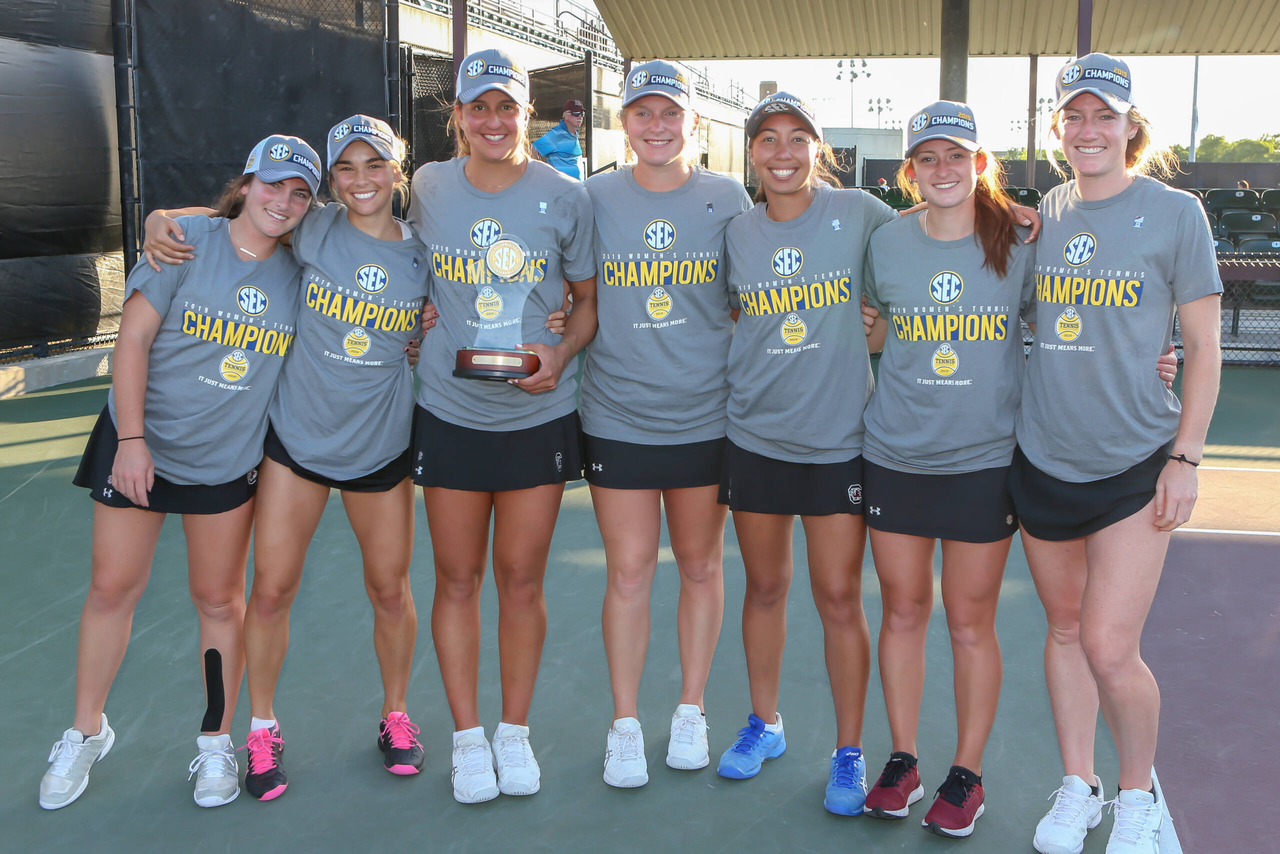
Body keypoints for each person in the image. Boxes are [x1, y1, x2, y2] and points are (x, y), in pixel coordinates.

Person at [142, 116, 432, 800]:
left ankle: (396, 714)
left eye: (375, 165)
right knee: (270, 591)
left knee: (390, 590)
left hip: (380, 448)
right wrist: (161, 216)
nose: (361, 180)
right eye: (346, 169)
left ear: (397, 170)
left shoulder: (424, 254)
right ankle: (262, 725)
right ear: (331, 180)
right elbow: (237, 217)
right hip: (296, 443)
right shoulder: (313, 226)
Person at [39, 136, 320, 810]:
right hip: (138, 443)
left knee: (219, 600)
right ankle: (86, 731)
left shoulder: (305, 269)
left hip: (224, 461)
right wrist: (132, 441)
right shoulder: (185, 241)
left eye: (300, 192)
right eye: (272, 184)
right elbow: (130, 339)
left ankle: (215, 742)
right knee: (112, 587)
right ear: (247, 183)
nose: (283, 201)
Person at [1016, 54, 1220, 854]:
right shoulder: (1045, 214)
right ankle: (1080, 785)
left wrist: (1187, 457)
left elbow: (1202, 347)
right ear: (1058, 126)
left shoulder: (1177, 213)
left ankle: (1138, 795)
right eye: (1075, 115)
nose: (1089, 129)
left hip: (1137, 463)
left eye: (1105, 116)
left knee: (1107, 643)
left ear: (1132, 126)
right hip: (1043, 458)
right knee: (1065, 632)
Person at [408, 48, 597, 804]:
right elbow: (367, 239)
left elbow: (585, 302)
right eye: (478, 107)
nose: (493, 121)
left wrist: (560, 349)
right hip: (449, 412)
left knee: (521, 581)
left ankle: (513, 734)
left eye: (506, 107)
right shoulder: (425, 186)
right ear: (456, 115)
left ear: (527, 114)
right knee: (457, 579)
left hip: (538, 413)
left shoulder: (566, 194)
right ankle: (465, 737)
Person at [714, 91, 895, 817]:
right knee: (763, 589)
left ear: (819, 148)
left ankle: (848, 753)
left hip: (838, 442)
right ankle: (766, 723)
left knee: (839, 598)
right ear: (750, 151)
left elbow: (937, 241)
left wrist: (1020, 216)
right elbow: (729, 312)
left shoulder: (860, 214)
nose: (783, 153)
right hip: (755, 436)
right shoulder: (735, 231)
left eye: (798, 139)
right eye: (768, 140)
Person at [859, 101, 1036, 838]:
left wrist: (1161, 356)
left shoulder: (1020, 237)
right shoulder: (885, 243)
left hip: (982, 462)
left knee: (969, 623)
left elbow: (1070, 318)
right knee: (902, 611)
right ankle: (903, 759)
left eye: (956, 157)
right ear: (908, 172)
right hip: (895, 455)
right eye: (927, 158)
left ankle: (966, 775)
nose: (942, 170)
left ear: (979, 165)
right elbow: (868, 331)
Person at [579, 60, 753, 788]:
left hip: (705, 419)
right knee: (627, 573)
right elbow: (560, 283)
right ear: (624, 121)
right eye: (643, 113)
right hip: (616, 418)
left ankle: (691, 709)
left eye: (670, 114)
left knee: (702, 567)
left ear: (694, 123)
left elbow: (760, 287)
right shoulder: (590, 198)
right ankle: (625, 723)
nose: (657, 126)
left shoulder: (728, 198)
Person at [533, 98, 585, 180]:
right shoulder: (556, 134)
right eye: (575, 113)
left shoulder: (575, 134)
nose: (579, 116)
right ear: (565, 115)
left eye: (582, 113)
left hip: (576, 188)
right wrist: (541, 175)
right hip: (561, 189)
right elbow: (533, 150)